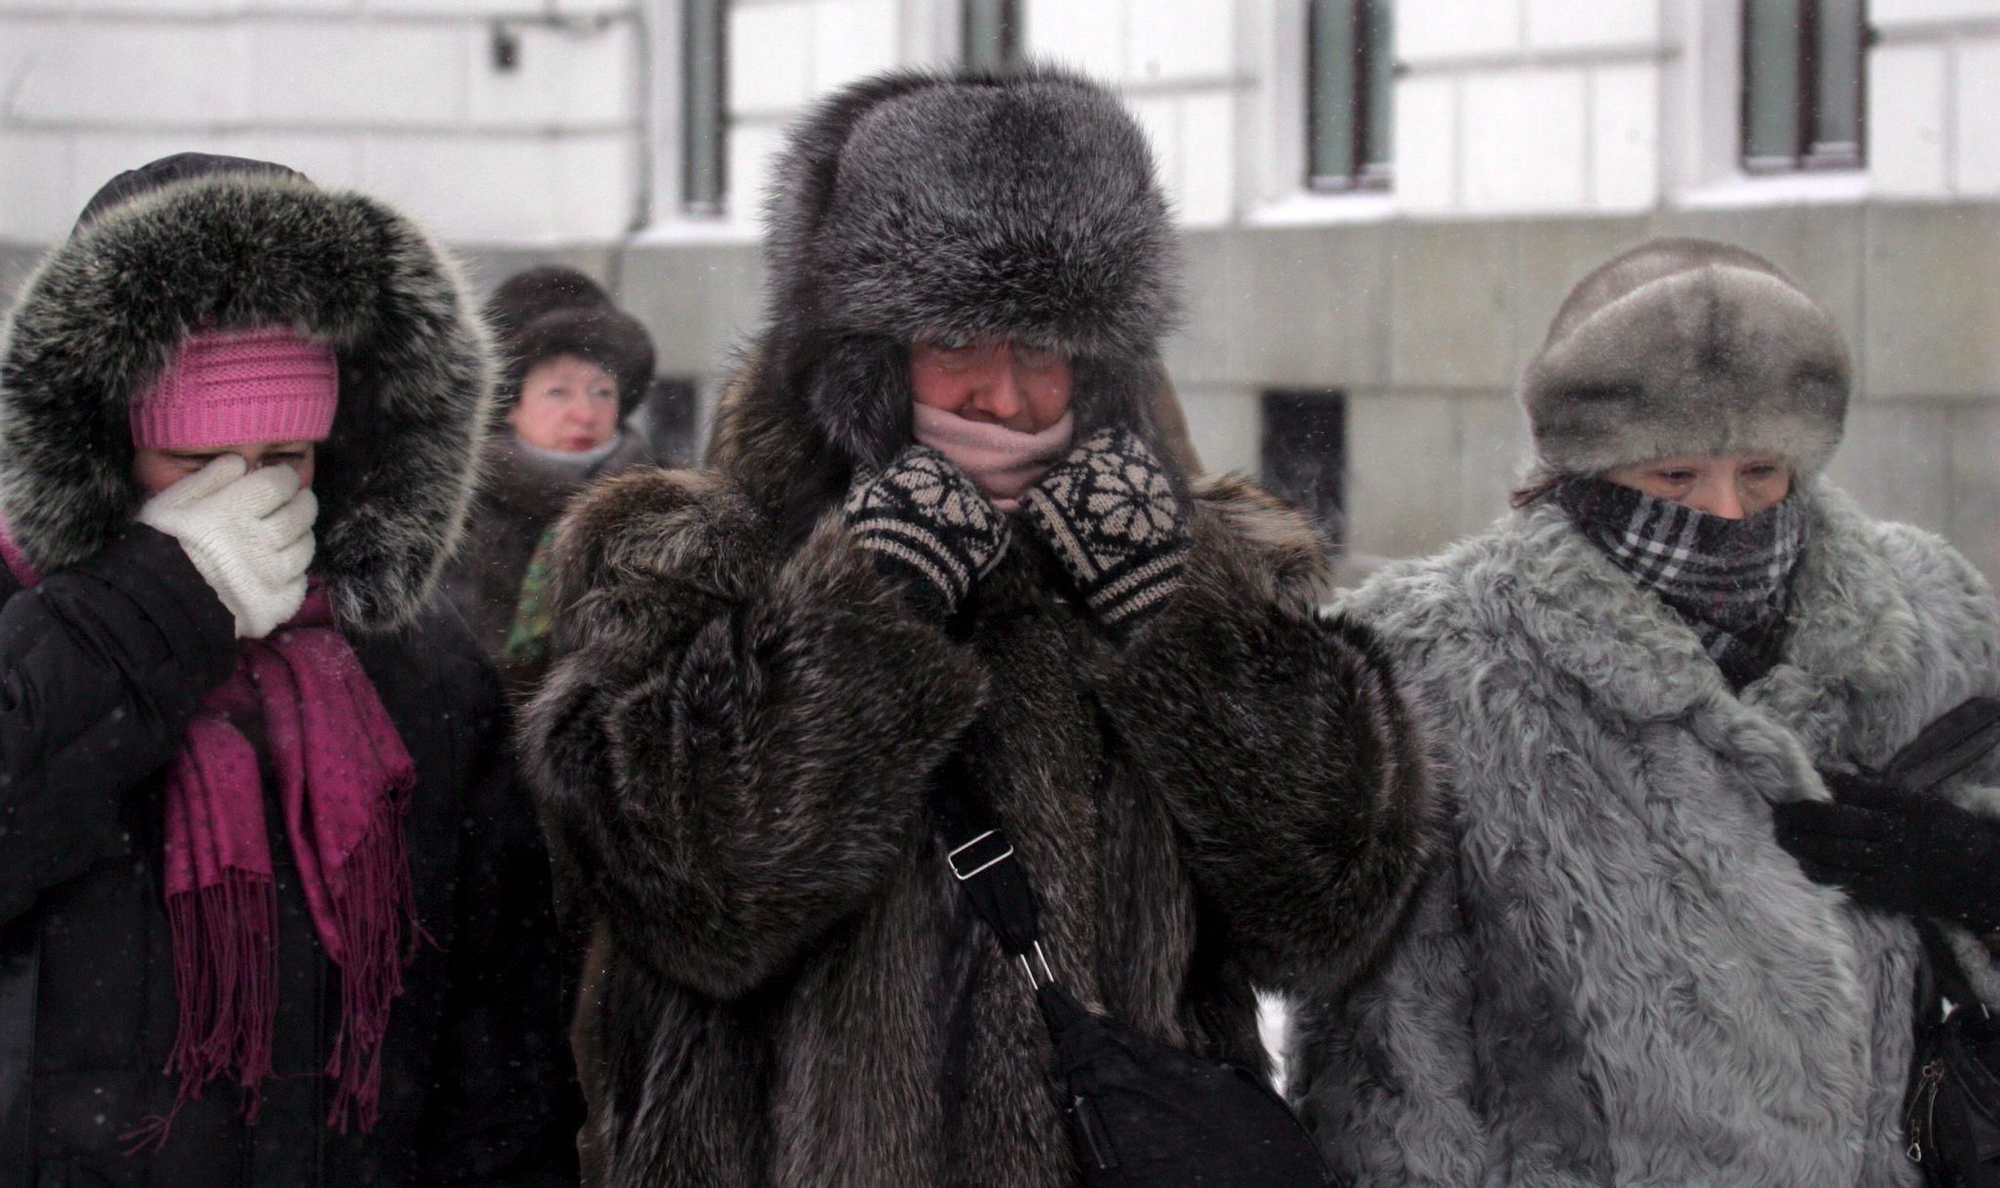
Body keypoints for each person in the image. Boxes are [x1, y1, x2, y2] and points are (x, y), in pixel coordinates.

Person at [517, 66, 1435, 1187]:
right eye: (958, 344)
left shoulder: (1195, 557)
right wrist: (865, 606)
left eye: (1042, 353)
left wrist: (1177, 619)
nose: (1004, 398)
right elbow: (701, 901)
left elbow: (1326, 905)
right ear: (864, 351)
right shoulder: (687, 560)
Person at [1292, 237, 2000, 1186]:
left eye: (1761, 471)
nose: (1727, 512)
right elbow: (1395, 1057)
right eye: (1673, 477)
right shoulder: (1440, 656)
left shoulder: (1930, 620)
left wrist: (1974, 878)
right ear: (1590, 470)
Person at [0, 154, 576, 1187]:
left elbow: (497, 1046)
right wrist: (158, 603)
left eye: (288, 455)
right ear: (100, 440)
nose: (250, 494)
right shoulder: (26, 626)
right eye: (195, 459)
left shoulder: (417, 670)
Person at [441, 266, 656, 661]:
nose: (585, 414)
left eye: (602, 391)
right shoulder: (455, 516)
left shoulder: (661, 510)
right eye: (558, 392)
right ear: (509, 404)